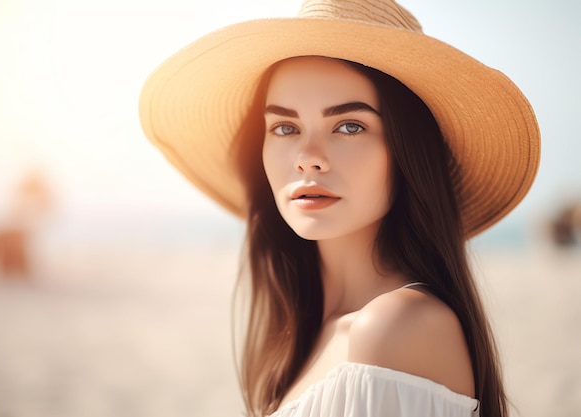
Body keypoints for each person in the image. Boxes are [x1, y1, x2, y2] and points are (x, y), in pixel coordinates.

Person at [138, 1, 540, 416]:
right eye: (284, 127)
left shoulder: (398, 328)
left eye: (350, 126)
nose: (308, 157)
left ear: (407, 152)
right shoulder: (303, 334)